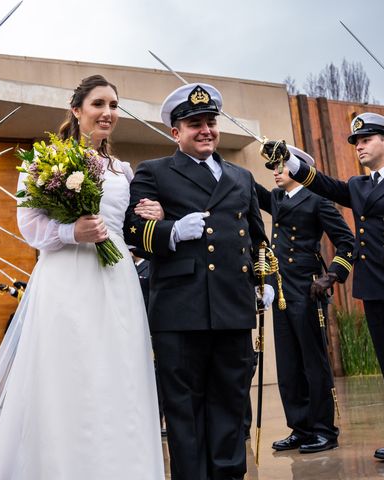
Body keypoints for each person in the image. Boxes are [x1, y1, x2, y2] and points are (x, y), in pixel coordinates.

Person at [0, 75, 165, 480]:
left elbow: (125, 228)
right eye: (98, 104)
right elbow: (29, 225)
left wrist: (149, 216)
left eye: (113, 105)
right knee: (71, 373)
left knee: (118, 372)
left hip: (117, 280)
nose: (108, 113)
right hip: (66, 277)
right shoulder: (43, 162)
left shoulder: (122, 170)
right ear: (76, 111)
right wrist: (69, 232)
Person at [124, 83, 272, 480]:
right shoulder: (154, 172)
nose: (205, 130)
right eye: (194, 124)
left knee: (229, 405)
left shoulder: (241, 178)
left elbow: (258, 239)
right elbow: (133, 232)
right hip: (180, 310)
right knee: (185, 413)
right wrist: (172, 231)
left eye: (210, 122)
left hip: (232, 307)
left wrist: (266, 279)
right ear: (176, 132)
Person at [267, 112, 384, 466]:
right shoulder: (359, 187)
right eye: (356, 141)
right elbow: (325, 185)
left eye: (366, 140)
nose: (359, 146)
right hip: (373, 287)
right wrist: (291, 161)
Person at [255, 153, 354, 454]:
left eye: (281, 165)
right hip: (281, 289)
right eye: (273, 166)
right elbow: (248, 186)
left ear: (299, 169)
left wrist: (332, 276)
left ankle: (324, 430)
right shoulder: (276, 198)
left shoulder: (317, 199)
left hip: (308, 289)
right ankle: (300, 428)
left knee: (314, 363)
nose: (275, 171)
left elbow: (347, 242)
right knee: (288, 364)